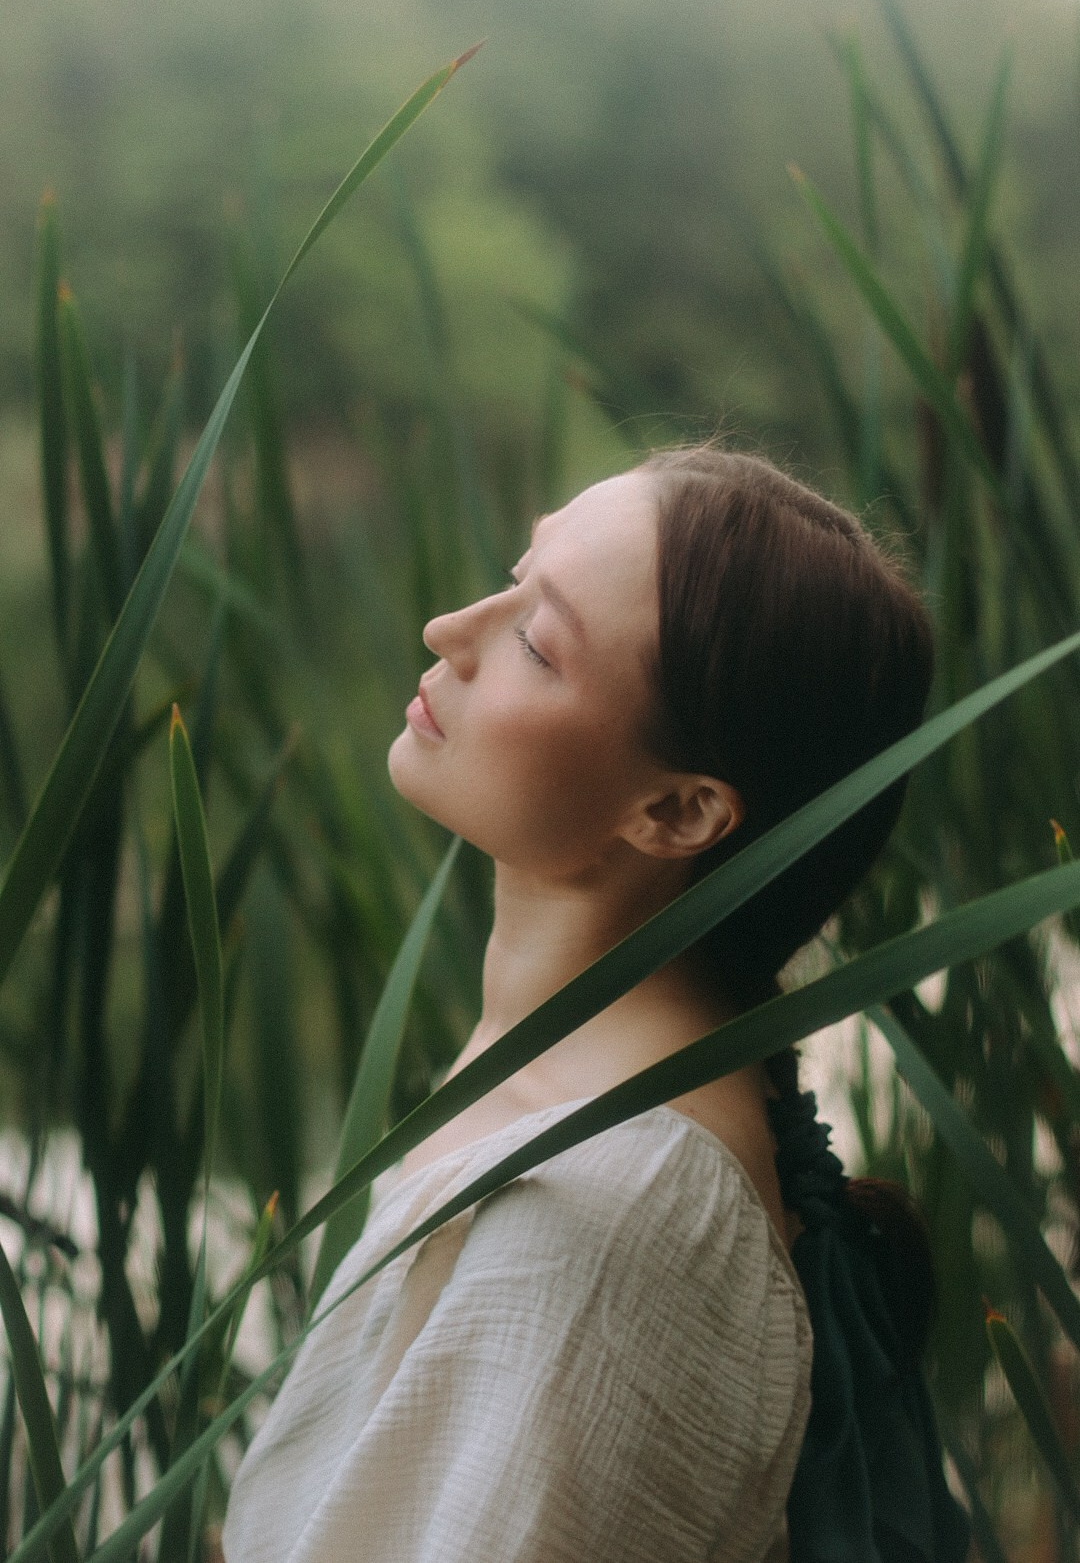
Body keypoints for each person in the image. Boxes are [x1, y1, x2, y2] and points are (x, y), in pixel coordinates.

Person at [222, 445, 971, 1563]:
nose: (448, 628)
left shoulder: (611, 1210)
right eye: (516, 574)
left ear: (677, 813)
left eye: (535, 641)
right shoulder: (570, 1071)